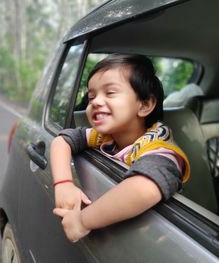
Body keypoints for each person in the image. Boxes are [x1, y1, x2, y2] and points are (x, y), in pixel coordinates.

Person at [50, 54, 190, 243]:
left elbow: (144, 189)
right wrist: (64, 184)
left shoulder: (160, 147)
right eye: (91, 96)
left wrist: (82, 221)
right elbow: (62, 140)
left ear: (145, 105)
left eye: (110, 93)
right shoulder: (105, 135)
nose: (95, 102)